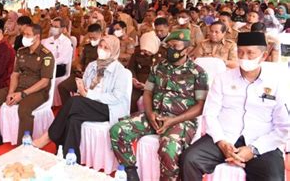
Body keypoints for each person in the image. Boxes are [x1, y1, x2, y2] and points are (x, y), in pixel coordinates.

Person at [180, 32, 289, 181]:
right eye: (241, 52)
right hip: (225, 136)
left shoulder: (276, 83)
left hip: (261, 141)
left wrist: (253, 149)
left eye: (250, 53)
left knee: (273, 177)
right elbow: (210, 113)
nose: (244, 57)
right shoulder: (223, 78)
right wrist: (222, 142)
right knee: (190, 159)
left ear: (263, 56)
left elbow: (284, 126)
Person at [110, 29, 208, 181]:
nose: (170, 50)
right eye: (168, 46)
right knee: (118, 130)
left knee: (169, 149)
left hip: (181, 120)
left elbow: (201, 106)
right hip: (155, 114)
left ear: (187, 50)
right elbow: (148, 92)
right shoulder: (158, 67)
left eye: (175, 47)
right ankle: (131, 172)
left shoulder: (198, 72)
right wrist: (149, 113)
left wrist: (173, 121)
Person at [33, 36, 131, 163]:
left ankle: (49, 136)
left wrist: (89, 94)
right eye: (100, 46)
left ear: (114, 50)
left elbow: (116, 97)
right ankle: (69, 157)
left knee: (74, 102)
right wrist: (82, 89)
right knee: (73, 118)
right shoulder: (92, 65)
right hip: (89, 104)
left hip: (109, 109)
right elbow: (86, 86)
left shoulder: (121, 71)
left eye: (106, 48)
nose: (101, 50)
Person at [0, 24, 54, 149]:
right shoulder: (21, 52)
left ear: (37, 36)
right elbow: (15, 74)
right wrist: (10, 92)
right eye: (24, 34)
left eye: (28, 35)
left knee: (24, 109)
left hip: (37, 91)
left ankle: (23, 145)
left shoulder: (46, 55)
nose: (25, 37)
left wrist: (23, 94)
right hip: (19, 87)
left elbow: (44, 82)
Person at [58, 23, 101, 105]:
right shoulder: (87, 47)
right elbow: (80, 61)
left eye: (94, 38)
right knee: (62, 87)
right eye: (90, 37)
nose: (92, 40)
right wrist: (78, 67)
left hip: (95, 78)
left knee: (87, 94)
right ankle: (68, 107)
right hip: (82, 75)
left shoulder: (105, 48)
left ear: (100, 34)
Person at [127, 31, 164, 113]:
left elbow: (162, 74)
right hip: (137, 83)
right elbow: (131, 68)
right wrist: (134, 80)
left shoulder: (162, 53)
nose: (146, 53)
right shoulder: (137, 52)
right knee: (130, 99)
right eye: (144, 50)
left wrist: (149, 86)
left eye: (148, 51)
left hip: (154, 84)